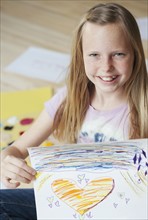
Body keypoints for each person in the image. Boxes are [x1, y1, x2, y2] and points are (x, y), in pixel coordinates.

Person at [0, 2, 148, 220]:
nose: (106, 67)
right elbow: (17, 149)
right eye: (94, 55)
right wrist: (7, 163)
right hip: (72, 203)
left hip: (127, 208)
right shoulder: (70, 97)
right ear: (80, 56)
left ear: (135, 53)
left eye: (118, 54)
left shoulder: (144, 104)